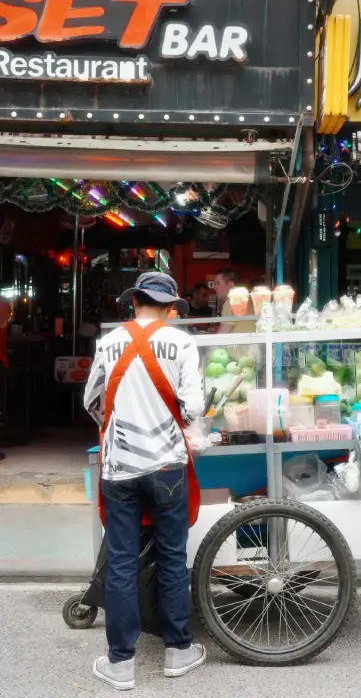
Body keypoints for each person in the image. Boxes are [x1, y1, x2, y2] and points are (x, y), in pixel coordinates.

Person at [84, 272, 206, 691]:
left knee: (120, 560)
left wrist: (120, 426)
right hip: (167, 468)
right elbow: (194, 407)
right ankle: (177, 652)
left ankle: (120, 663)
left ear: (134, 302)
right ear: (169, 306)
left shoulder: (109, 343)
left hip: (119, 468)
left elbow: (91, 400)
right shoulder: (183, 343)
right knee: (173, 557)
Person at [213, 268, 255, 333]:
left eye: (217, 283)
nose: (214, 287)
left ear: (231, 285)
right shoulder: (245, 299)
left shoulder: (232, 301)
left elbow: (222, 336)